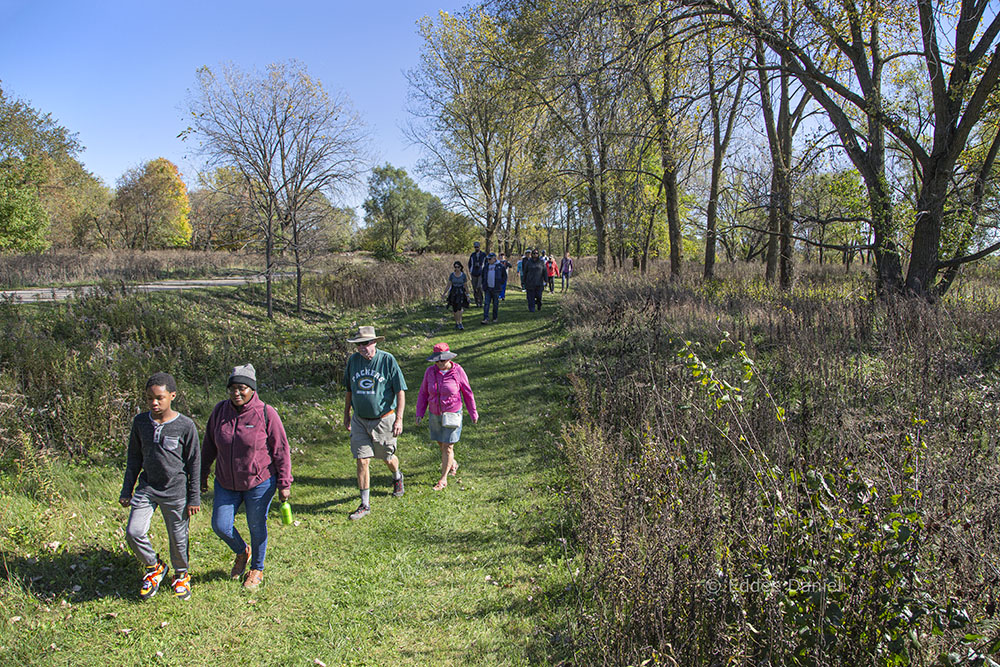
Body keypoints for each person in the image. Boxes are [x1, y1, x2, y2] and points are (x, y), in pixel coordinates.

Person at [201, 364, 292, 592]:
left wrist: (284, 483)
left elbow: (281, 449)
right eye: (232, 388)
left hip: (259, 482)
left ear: (252, 389)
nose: (236, 393)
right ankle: (242, 551)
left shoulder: (265, 413)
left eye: (242, 388)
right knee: (220, 525)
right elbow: (209, 446)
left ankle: (257, 568)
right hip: (225, 482)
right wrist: (201, 475)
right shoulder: (220, 412)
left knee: (256, 525)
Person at [120, 372, 200, 601]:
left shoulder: (185, 426)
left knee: (178, 538)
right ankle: (154, 567)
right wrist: (127, 490)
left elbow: (194, 463)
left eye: (159, 398)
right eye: (149, 398)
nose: (154, 403)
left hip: (176, 491)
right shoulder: (140, 423)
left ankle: (181, 575)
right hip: (147, 488)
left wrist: (193, 498)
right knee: (134, 532)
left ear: (172, 396)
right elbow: (134, 458)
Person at [342, 326, 407, 520]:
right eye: (359, 345)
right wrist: (346, 414)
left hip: (384, 419)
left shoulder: (387, 360)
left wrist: (399, 419)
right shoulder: (353, 361)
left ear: (375, 342)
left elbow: (400, 391)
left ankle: (397, 476)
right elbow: (349, 390)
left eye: (366, 343)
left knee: (387, 458)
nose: (363, 348)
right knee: (362, 460)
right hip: (360, 420)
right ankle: (365, 504)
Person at [415, 343, 478, 491]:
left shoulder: (458, 372)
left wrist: (473, 412)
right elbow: (423, 393)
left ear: (449, 358)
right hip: (435, 413)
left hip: (452, 414)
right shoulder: (430, 372)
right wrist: (420, 412)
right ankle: (452, 463)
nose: (439, 364)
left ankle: (443, 479)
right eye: (437, 361)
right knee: (441, 443)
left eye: (442, 360)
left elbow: (468, 393)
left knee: (448, 446)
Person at [481, 252, 507, 324]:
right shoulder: (486, 267)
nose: (489, 260)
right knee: (486, 303)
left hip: (496, 288)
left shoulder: (500, 266)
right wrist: (483, 284)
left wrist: (500, 283)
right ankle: (486, 318)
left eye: (490, 259)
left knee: (495, 303)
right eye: (488, 259)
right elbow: (483, 276)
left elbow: (504, 276)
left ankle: (495, 317)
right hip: (488, 288)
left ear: (494, 259)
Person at [444, 261, 470, 330]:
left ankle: (460, 323)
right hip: (454, 292)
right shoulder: (452, 275)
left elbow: (465, 286)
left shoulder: (463, 275)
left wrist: (467, 294)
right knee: (455, 309)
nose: (457, 268)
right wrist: (444, 293)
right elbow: (449, 284)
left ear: (460, 267)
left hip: (461, 292)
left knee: (459, 308)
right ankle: (457, 323)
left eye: (458, 267)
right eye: (455, 267)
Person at [468, 241, 487, 307]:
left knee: (479, 287)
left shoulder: (483, 255)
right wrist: (470, 271)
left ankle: (481, 301)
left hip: (481, 273)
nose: (476, 248)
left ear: (479, 247)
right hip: (473, 273)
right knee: (474, 288)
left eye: (477, 247)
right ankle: (477, 302)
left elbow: (486, 264)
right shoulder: (472, 255)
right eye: (475, 247)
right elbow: (469, 264)